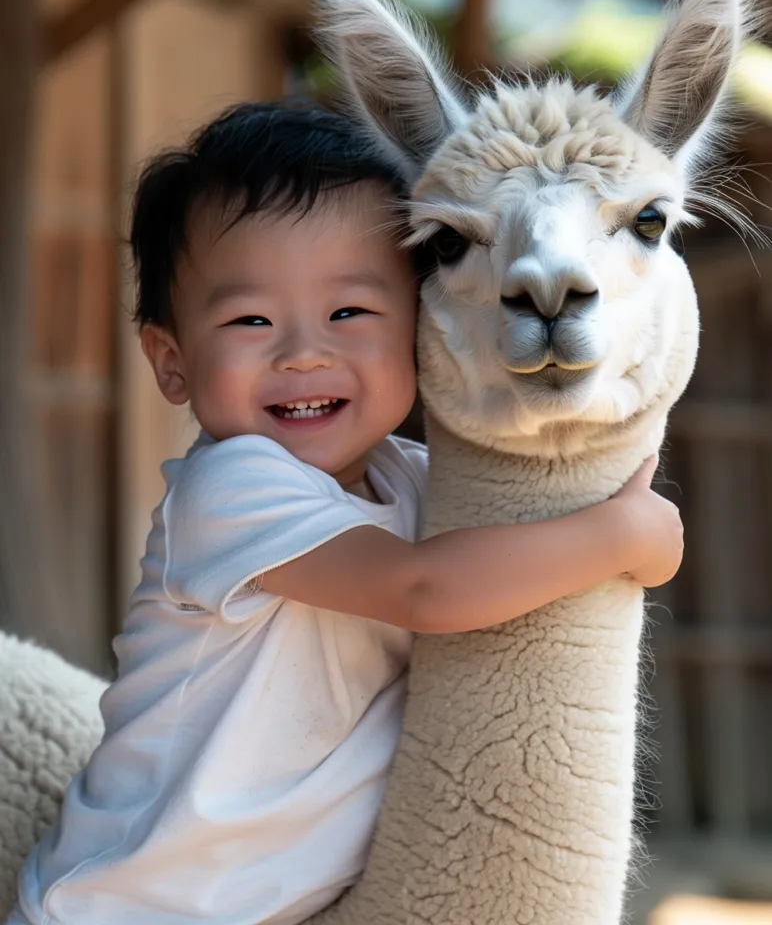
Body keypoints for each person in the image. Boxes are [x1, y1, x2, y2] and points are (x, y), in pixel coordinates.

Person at [9, 101, 683, 925]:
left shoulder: (413, 481)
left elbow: (500, 553)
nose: (305, 353)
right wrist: (621, 537)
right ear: (172, 361)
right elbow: (427, 592)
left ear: (417, 328)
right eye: (251, 320)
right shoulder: (230, 490)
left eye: (350, 314)